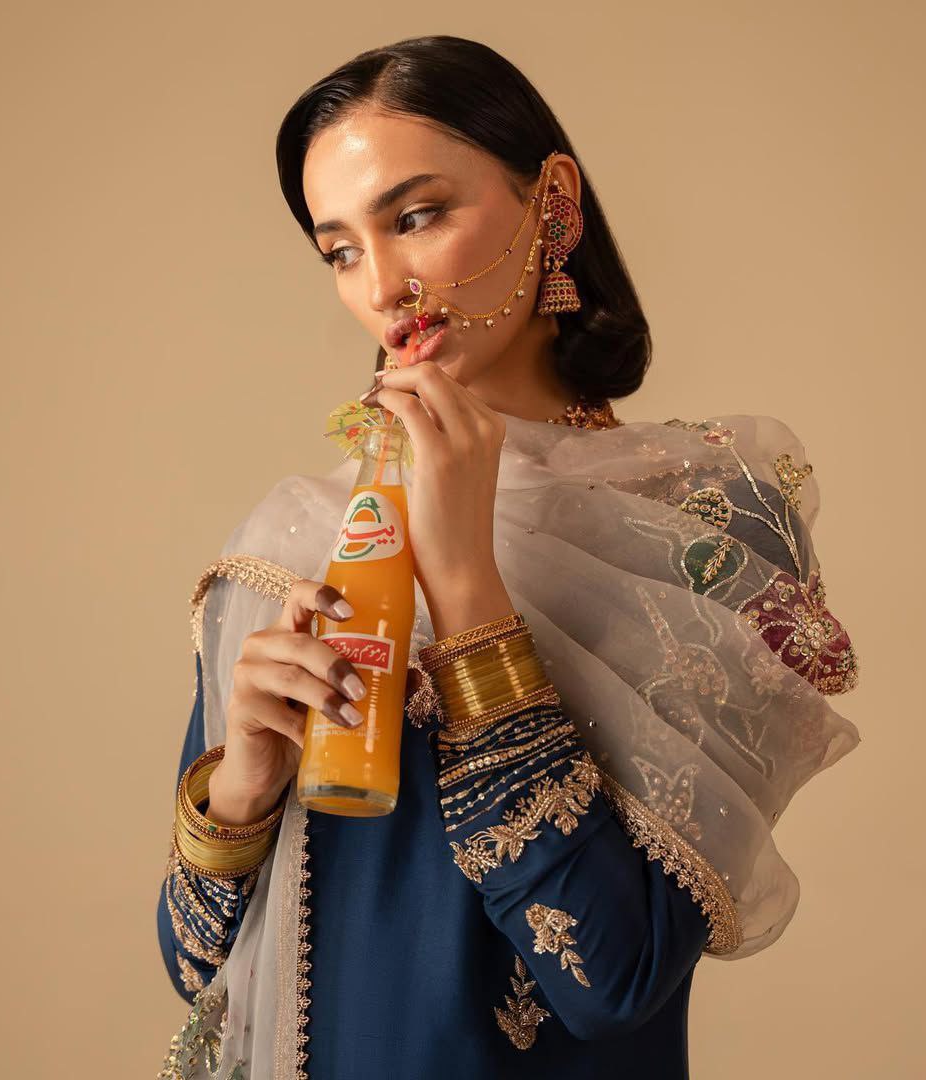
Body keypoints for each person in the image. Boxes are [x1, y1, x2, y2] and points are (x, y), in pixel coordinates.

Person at [156, 35, 862, 1080]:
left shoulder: (707, 527)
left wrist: (467, 588)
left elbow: (609, 978)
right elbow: (196, 968)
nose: (384, 286)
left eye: (416, 217)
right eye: (341, 250)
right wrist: (243, 792)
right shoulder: (301, 543)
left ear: (553, 206)